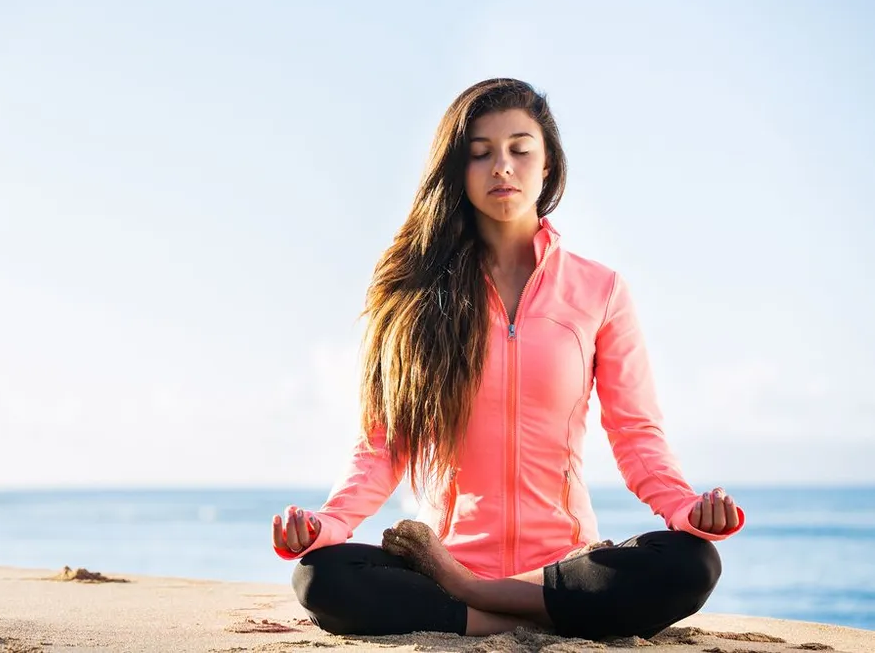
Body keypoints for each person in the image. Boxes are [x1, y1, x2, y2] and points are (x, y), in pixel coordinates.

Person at [270, 78, 745, 641]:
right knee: (321, 578)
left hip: (563, 569)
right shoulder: (416, 293)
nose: (502, 166)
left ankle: (478, 604)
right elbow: (382, 445)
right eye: (481, 153)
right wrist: (328, 524)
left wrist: (685, 508)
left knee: (692, 564)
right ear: (458, 170)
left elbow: (636, 433)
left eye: (520, 149)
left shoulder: (600, 291)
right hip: (441, 563)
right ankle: (502, 606)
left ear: (547, 168)